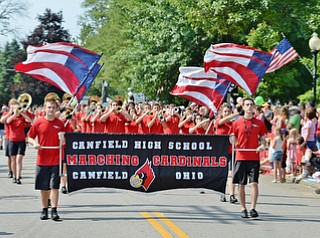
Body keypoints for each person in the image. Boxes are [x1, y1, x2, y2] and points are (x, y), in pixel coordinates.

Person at [27, 97, 65, 221]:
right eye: (49, 107)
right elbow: (30, 137)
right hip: (42, 159)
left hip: (56, 159)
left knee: (54, 186)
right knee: (44, 187)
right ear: (45, 108)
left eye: (53, 108)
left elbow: (65, 142)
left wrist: (62, 138)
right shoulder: (38, 122)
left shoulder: (60, 124)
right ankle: (44, 210)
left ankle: (54, 210)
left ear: (56, 109)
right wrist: (35, 144)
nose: (51, 110)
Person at [231, 98, 268, 218]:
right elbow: (233, 137)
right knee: (241, 184)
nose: (249, 107)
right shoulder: (237, 123)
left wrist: (262, 146)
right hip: (241, 156)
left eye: (251, 105)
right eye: (247, 104)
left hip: (254, 157)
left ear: (254, 107)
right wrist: (234, 143)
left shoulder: (259, 123)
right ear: (243, 106)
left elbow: (264, 139)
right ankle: (243, 208)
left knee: (254, 183)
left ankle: (253, 208)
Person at [214, 103, 239, 203]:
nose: (227, 114)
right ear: (221, 113)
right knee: (222, 174)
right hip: (220, 152)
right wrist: (235, 114)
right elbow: (221, 121)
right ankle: (222, 193)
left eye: (229, 112)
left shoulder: (234, 124)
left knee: (231, 173)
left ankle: (232, 195)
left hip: (231, 151)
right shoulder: (218, 122)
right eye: (225, 112)